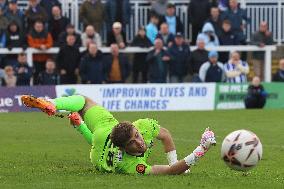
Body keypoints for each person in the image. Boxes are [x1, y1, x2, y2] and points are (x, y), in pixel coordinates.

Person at [20, 94, 216, 175]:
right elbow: (168, 171)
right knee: (95, 141)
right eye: (133, 142)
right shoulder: (130, 165)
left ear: (135, 127)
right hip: (99, 158)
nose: (140, 142)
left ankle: (54, 105)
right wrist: (202, 148)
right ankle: (72, 120)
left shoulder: (142, 125)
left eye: (137, 135)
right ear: (123, 148)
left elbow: (164, 135)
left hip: (105, 129)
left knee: (83, 102)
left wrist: (175, 163)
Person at [27, 20, 53, 84]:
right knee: (35, 75)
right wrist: (40, 46)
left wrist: (45, 46)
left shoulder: (47, 34)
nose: (39, 28)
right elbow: (31, 44)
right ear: (34, 26)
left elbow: (50, 43)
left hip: (45, 59)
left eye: (40, 26)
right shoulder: (30, 34)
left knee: (46, 75)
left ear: (43, 27)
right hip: (35, 59)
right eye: (37, 26)